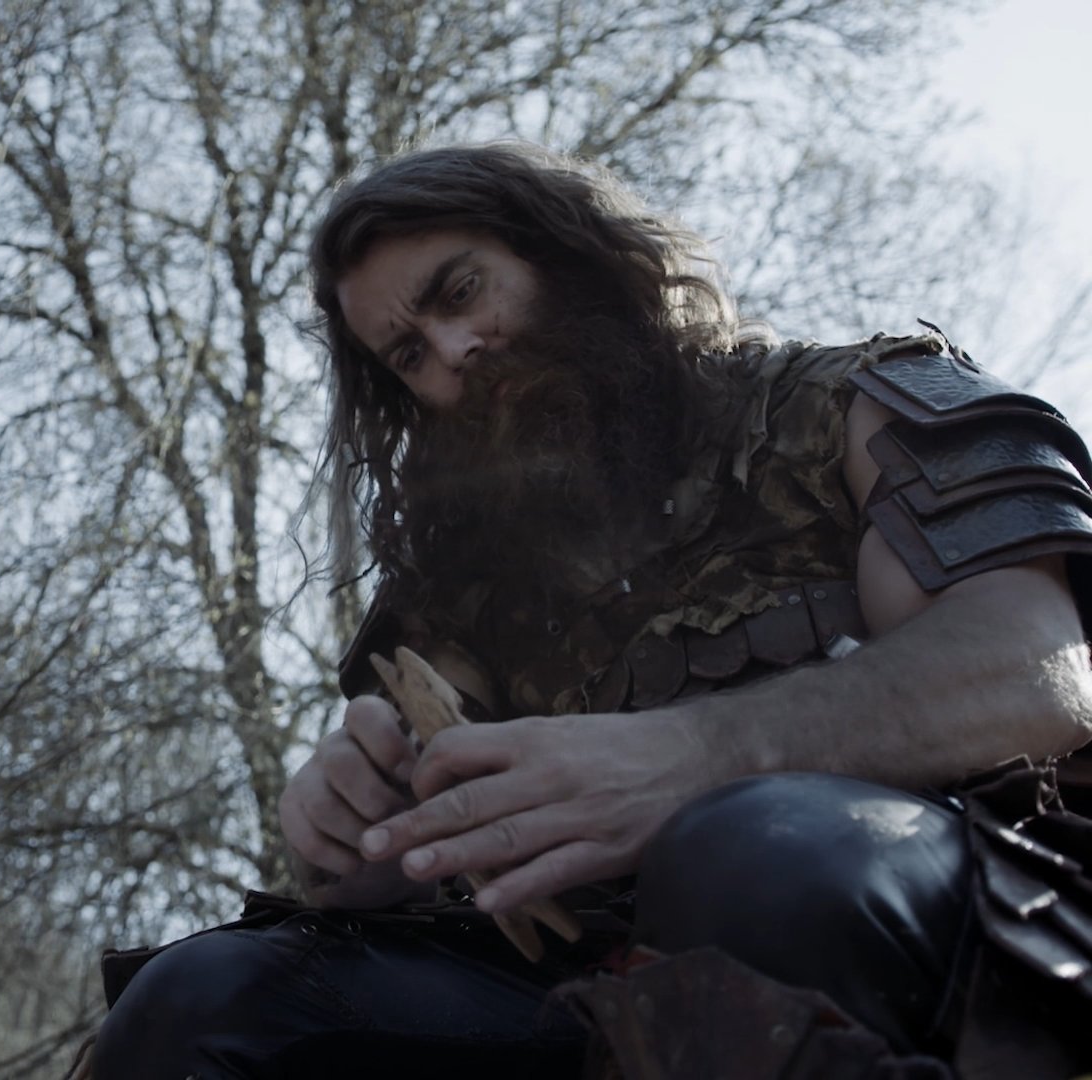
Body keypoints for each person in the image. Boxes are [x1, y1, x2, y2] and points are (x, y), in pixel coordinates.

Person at [82, 143, 1092, 1078]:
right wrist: (356, 838)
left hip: (920, 910)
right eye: (408, 355)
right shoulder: (461, 580)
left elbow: (1036, 669)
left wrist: (696, 758)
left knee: (757, 853)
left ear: (569, 250)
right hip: (570, 986)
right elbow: (412, 836)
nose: (453, 351)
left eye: (461, 291)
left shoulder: (859, 405)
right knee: (207, 997)